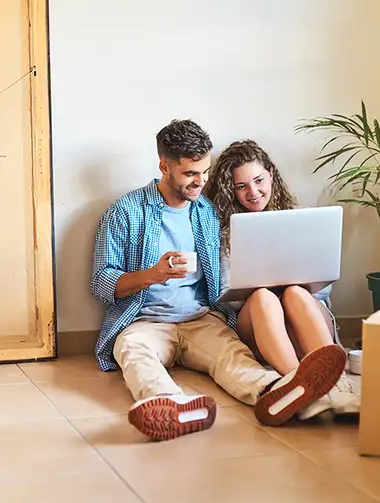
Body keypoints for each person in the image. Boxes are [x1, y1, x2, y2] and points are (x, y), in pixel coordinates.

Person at [90, 119, 347, 442]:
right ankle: (169, 404)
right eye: (190, 174)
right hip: (146, 320)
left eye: (205, 172)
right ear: (164, 167)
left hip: (200, 319)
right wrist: (152, 275)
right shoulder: (125, 211)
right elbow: (101, 282)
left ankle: (279, 391)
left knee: (233, 357)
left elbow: (224, 281)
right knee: (133, 351)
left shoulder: (207, 213)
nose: (201, 182)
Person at [203, 139, 360, 420]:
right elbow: (221, 293)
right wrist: (262, 285)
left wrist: (293, 284)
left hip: (303, 317)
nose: (253, 192)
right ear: (232, 190)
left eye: (259, 180)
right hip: (259, 323)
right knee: (264, 296)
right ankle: (296, 384)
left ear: (271, 175)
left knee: (295, 294)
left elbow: (324, 286)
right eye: (241, 186)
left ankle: (338, 384)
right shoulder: (224, 231)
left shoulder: (298, 219)